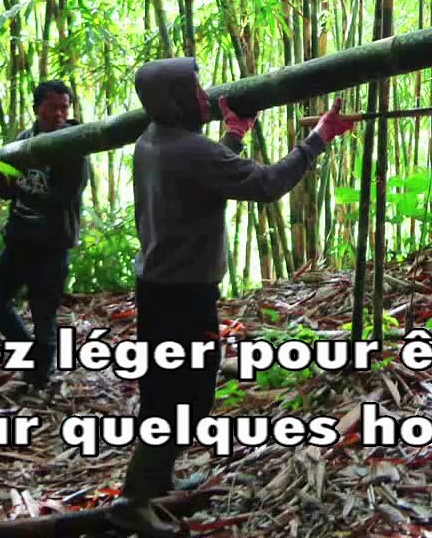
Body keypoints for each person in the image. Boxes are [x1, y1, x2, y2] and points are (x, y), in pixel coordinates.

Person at [107, 57, 355, 536]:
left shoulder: (153, 142)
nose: (207, 98)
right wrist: (318, 137)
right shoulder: (188, 150)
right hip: (181, 297)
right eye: (197, 92)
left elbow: (207, 180)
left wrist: (235, 135)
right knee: (183, 400)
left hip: (161, 290)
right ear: (177, 101)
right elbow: (266, 184)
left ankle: (154, 485)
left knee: (172, 392)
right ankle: (133, 503)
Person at [0, 80, 91, 391]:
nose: (59, 114)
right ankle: (34, 360)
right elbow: (14, 189)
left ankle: (38, 381)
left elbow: (63, 198)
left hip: (51, 245)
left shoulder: (74, 146)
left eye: (64, 106)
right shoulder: (25, 141)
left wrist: (18, 187)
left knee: (43, 316)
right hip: (20, 239)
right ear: (37, 108)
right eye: (52, 107)